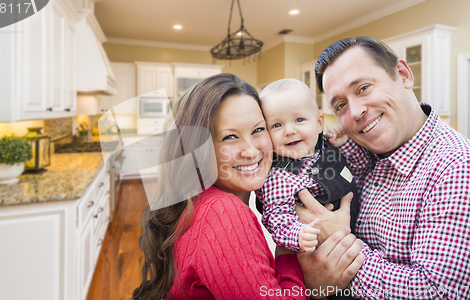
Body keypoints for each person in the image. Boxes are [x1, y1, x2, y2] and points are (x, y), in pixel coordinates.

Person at [132, 73, 365, 300]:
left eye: (257, 130)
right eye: (230, 137)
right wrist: (305, 276)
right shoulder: (223, 213)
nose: (251, 151)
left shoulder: (201, 199)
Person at [296, 37, 470, 299]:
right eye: (340, 105)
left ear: (403, 74)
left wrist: (337, 249)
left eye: (363, 88)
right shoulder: (357, 154)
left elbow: (440, 292)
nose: (354, 112)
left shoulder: (456, 167)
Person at [254, 79, 360, 253]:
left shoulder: (327, 146)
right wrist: (298, 234)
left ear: (319, 124)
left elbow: (359, 169)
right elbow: (276, 218)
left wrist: (345, 144)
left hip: (359, 234)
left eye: (299, 119)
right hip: (320, 249)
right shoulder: (278, 176)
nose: (289, 131)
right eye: (277, 125)